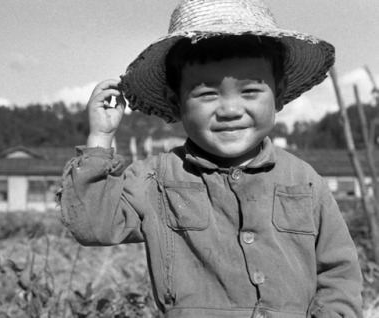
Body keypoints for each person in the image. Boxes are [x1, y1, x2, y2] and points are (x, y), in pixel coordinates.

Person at [59, 0, 363, 317]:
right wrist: (100, 138)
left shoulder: (305, 181)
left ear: (280, 93)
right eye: (207, 94)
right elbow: (93, 227)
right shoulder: (157, 180)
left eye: (249, 92)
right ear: (175, 104)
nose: (230, 110)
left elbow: (339, 272)